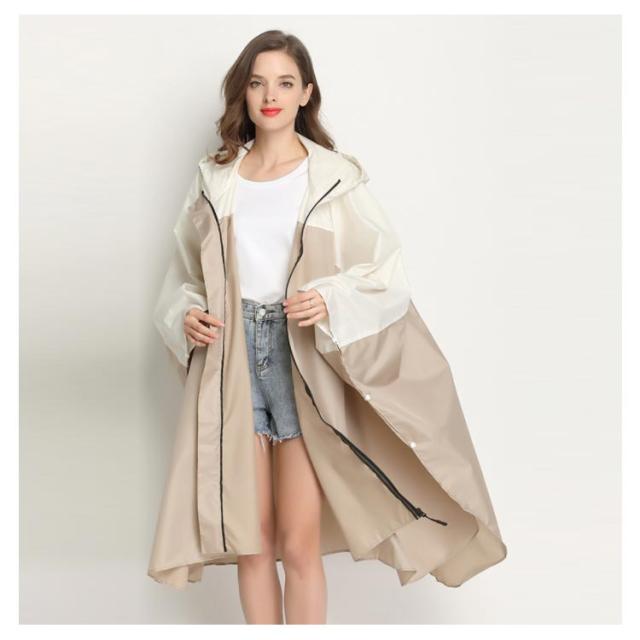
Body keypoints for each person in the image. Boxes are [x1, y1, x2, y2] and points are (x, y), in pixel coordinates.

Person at [184, 31, 328, 624]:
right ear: (243, 93)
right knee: (253, 542)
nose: (271, 96)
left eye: (285, 83)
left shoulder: (332, 176)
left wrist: (330, 298)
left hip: (299, 354)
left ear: (305, 94)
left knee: (299, 542)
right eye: (258, 82)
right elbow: (186, 271)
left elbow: (381, 270)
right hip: (232, 353)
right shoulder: (217, 176)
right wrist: (185, 312)